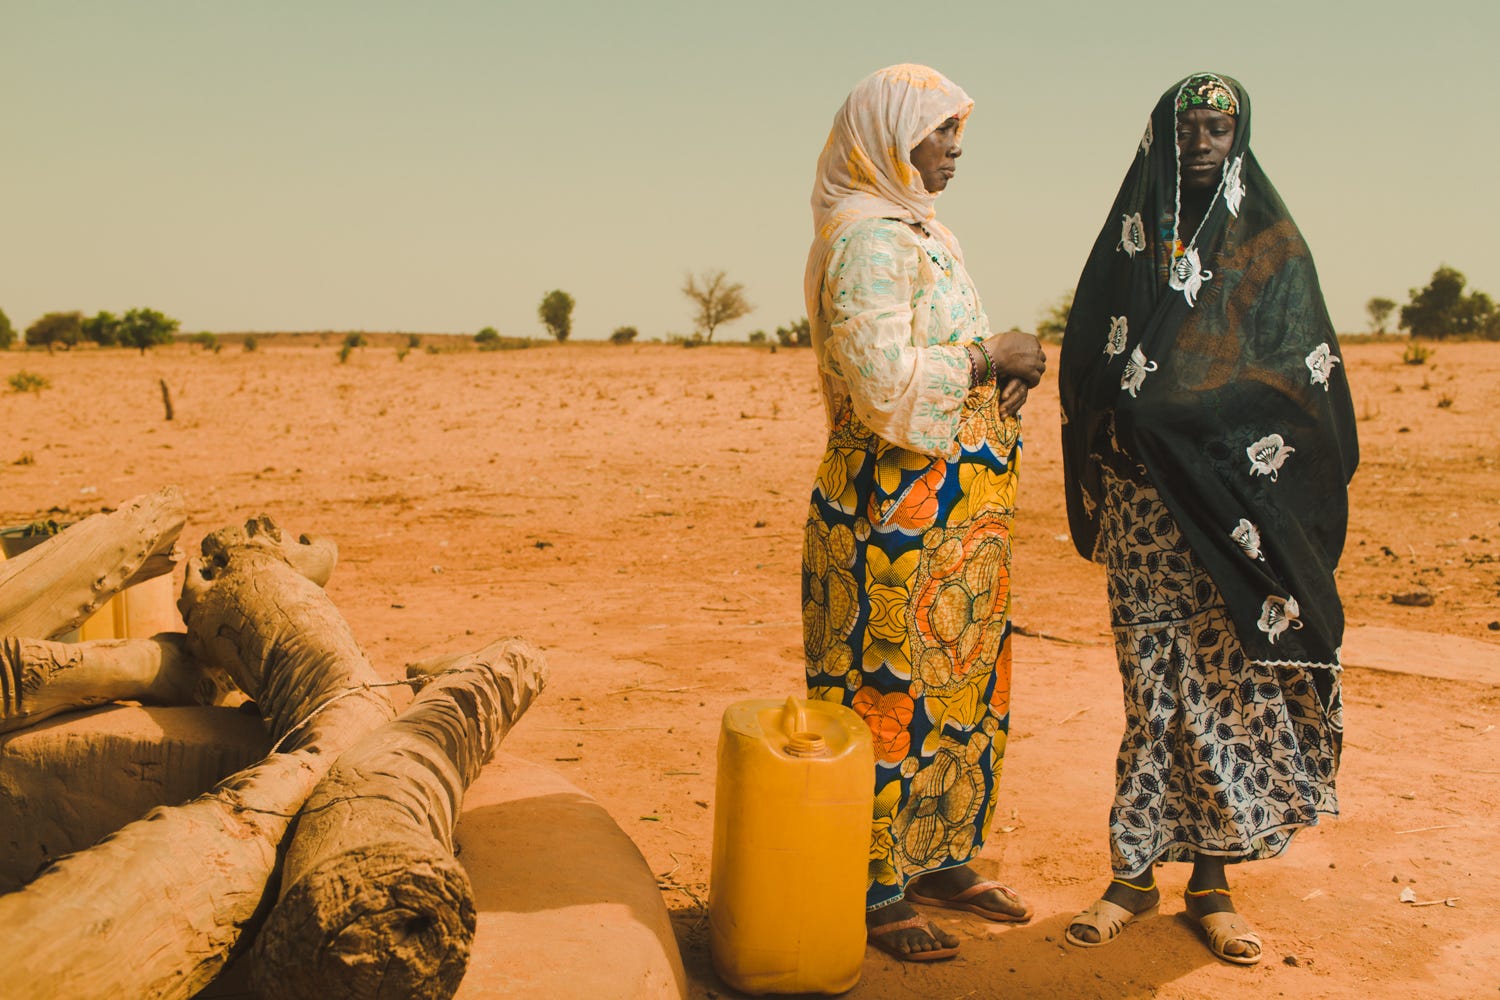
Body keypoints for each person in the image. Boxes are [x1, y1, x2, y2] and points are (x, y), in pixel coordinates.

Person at [1057, 72, 1358, 965]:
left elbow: (1302, 378)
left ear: (1240, 136)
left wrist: (1200, 414)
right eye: (1187, 126)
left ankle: (1214, 884)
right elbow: (1088, 361)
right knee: (1151, 687)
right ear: (1161, 135)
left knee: (1227, 687)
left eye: (1218, 128)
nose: (1201, 142)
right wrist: (1135, 423)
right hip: (1147, 509)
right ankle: (1132, 874)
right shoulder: (1128, 243)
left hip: (1232, 508)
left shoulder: (1270, 246)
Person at [801, 63, 1047, 963]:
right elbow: (877, 387)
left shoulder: (922, 231)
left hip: (949, 519)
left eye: (959, 136)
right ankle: (872, 886)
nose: (953, 152)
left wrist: (1008, 370)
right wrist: (991, 357)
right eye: (938, 132)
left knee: (957, 693)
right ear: (886, 133)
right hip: (887, 523)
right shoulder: (867, 236)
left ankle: (937, 856)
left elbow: (936, 353)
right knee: (881, 690)